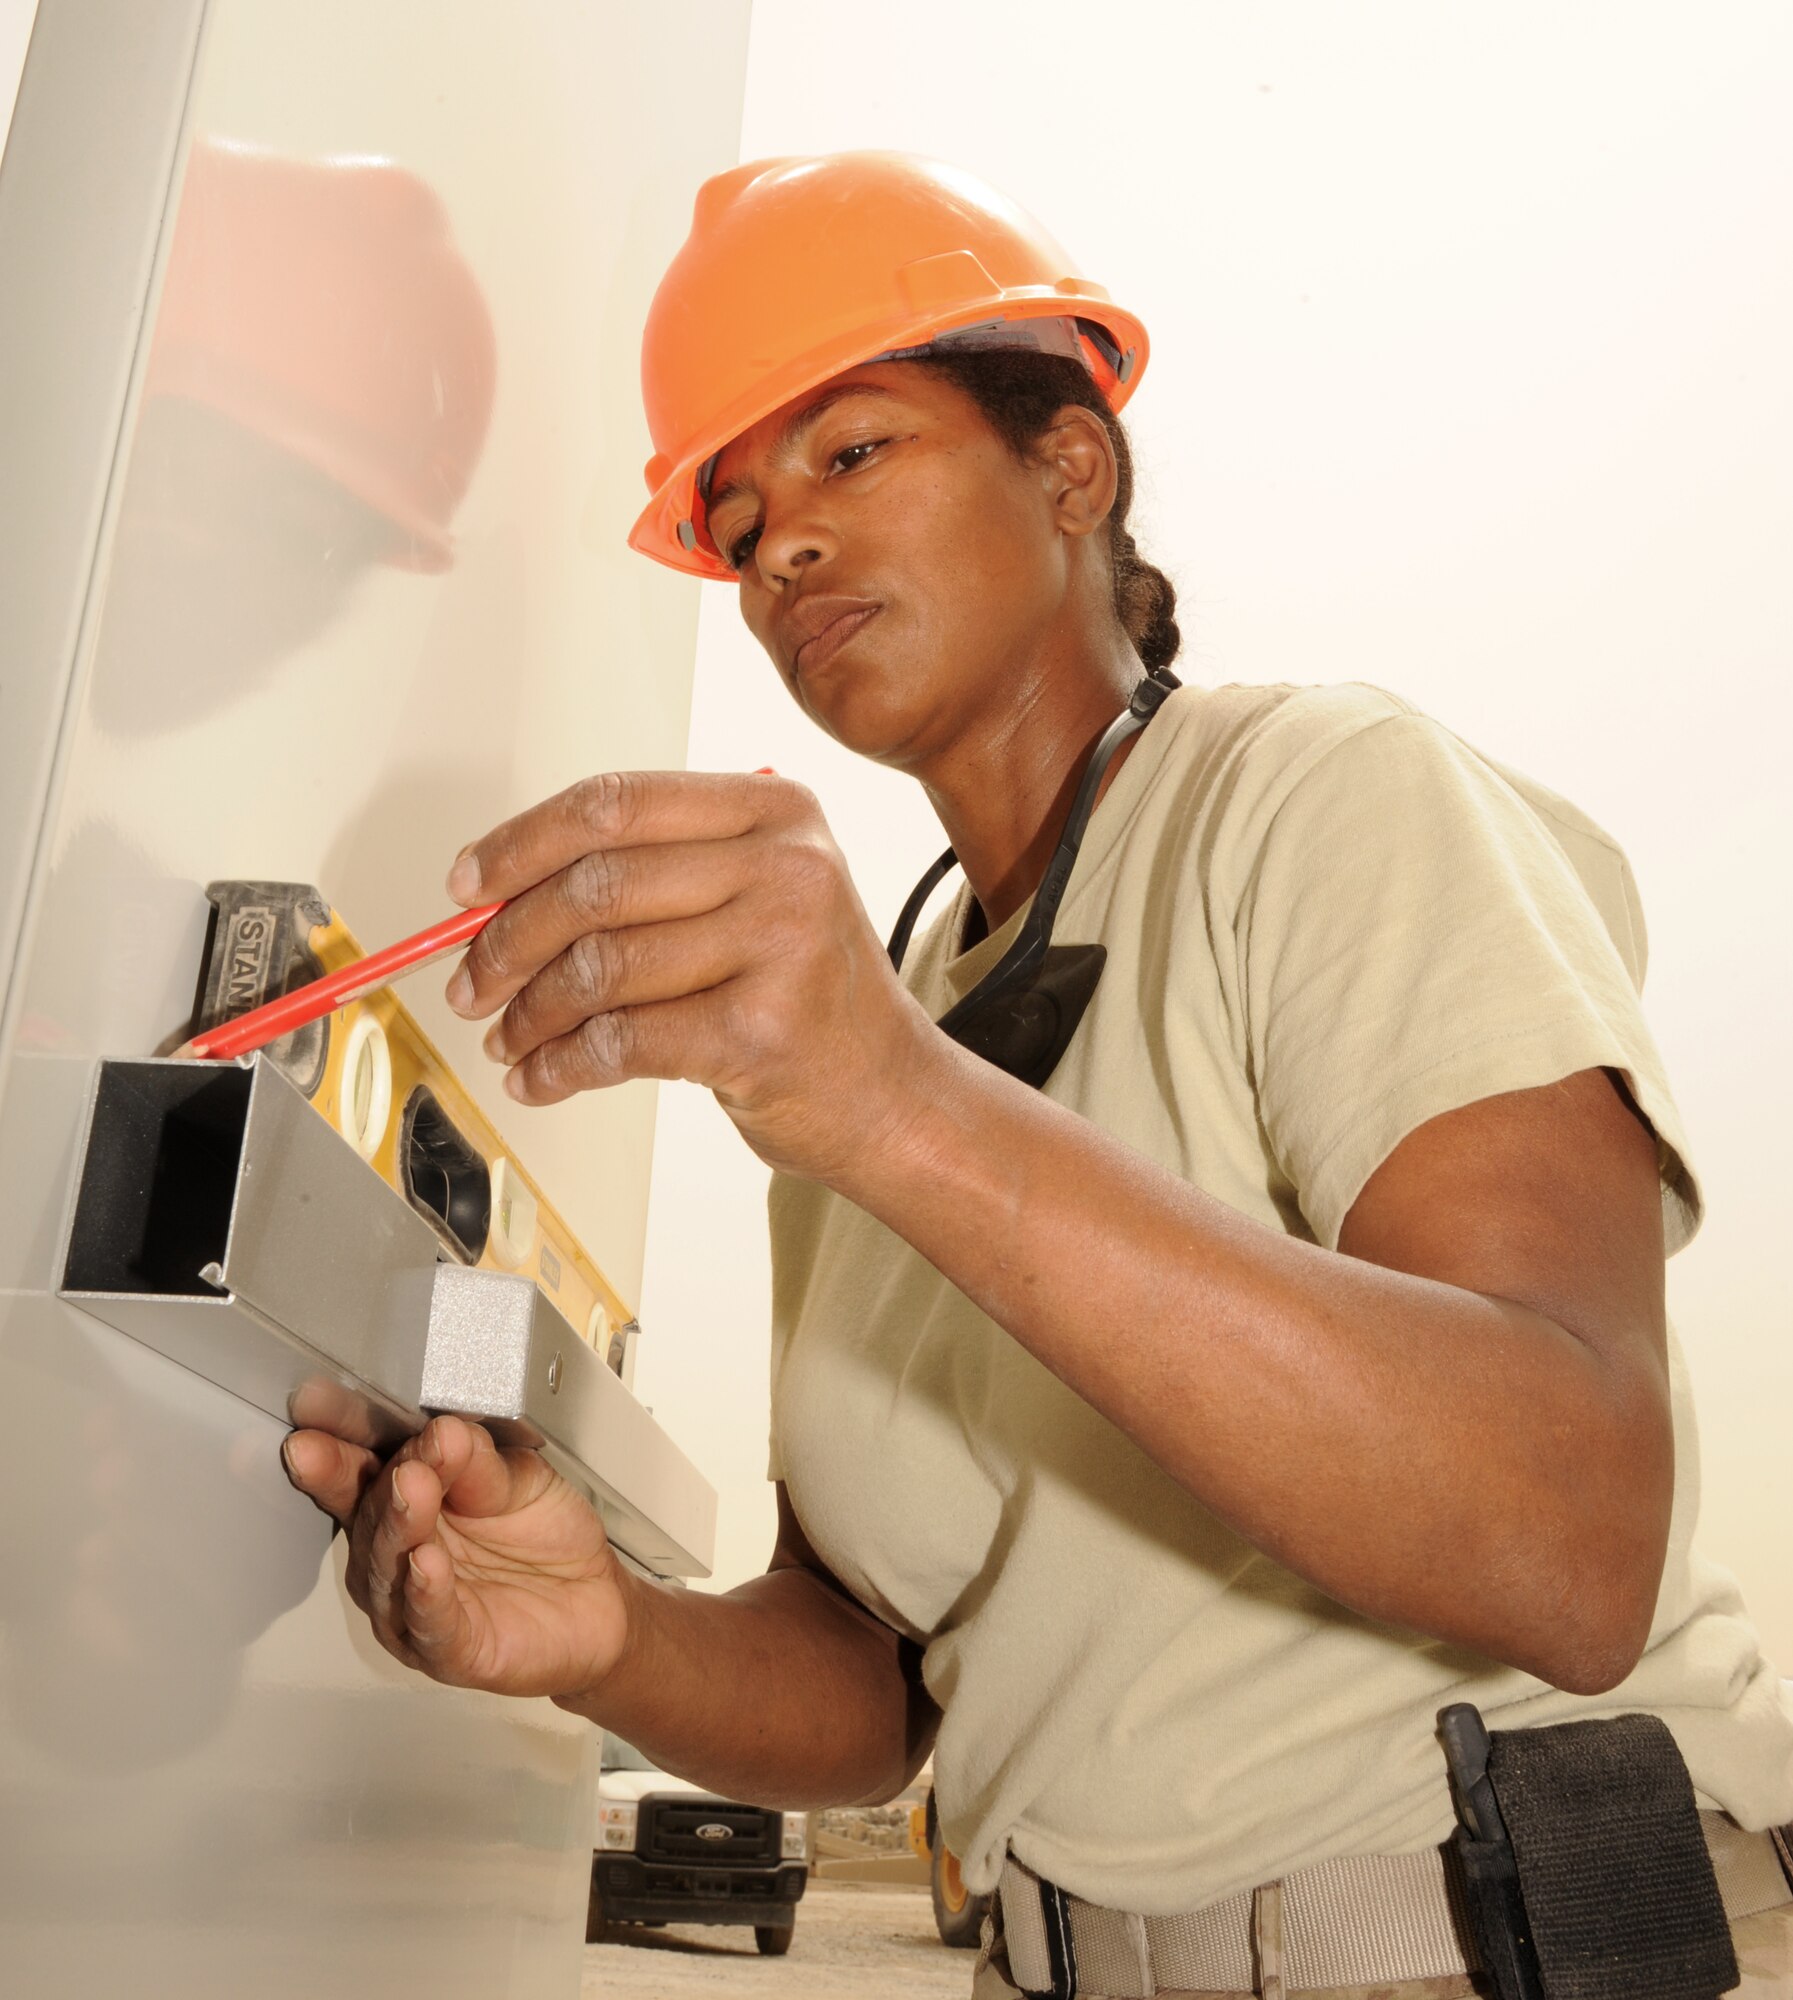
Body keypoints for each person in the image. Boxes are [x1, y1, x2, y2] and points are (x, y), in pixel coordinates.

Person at [284, 154, 1793, 1996]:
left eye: (851, 453)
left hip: (1496, 1950)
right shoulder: (882, 1029)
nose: (783, 551)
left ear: (1070, 468)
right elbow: (879, 1675)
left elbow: (1567, 1541)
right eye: (739, 524)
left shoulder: (1315, 794)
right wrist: (610, 1635)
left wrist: (890, 1106)